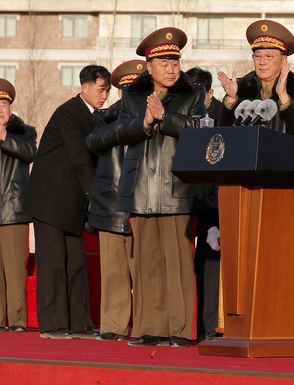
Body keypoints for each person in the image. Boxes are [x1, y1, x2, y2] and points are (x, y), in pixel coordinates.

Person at [115, 28, 207, 348]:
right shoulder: (131, 96)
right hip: (141, 188)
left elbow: (200, 129)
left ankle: (179, 329)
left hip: (176, 190)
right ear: (148, 66)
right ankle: (148, 328)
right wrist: (143, 122)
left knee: (178, 263)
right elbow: (119, 131)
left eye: (175, 63)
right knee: (147, 263)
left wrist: (165, 117)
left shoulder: (192, 94)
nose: (171, 69)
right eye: (164, 63)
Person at [23, 65, 111, 340]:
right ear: (84, 87)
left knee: (76, 263)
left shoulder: (96, 116)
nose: (105, 95)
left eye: (108, 90)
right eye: (101, 89)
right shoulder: (69, 113)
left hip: (73, 202)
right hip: (49, 201)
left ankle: (79, 323)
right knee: (53, 263)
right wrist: (98, 200)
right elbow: (79, 158)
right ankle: (52, 324)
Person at [85, 59, 146, 341]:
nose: (131, 95)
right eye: (127, 90)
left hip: (141, 204)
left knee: (144, 272)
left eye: (137, 89)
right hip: (109, 203)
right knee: (112, 272)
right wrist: (125, 120)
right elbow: (93, 142)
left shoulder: (155, 118)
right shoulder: (104, 118)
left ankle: (146, 326)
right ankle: (113, 325)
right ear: (120, 92)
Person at [217, 19, 294, 136]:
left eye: (269, 56)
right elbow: (223, 132)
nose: (262, 62)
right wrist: (231, 99)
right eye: (258, 56)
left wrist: (284, 97)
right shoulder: (240, 88)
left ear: (283, 59)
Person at [0, 79, 36, 332]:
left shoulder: (25, 131)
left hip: (14, 210)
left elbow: (30, 154)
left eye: (3, 105)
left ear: (11, 109)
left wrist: (4, 138)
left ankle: (18, 321)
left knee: (15, 271)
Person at [184, 67, 223, 342]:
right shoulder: (187, 117)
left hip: (216, 204)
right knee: (194, 265)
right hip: (191, 199)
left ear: (210, 93)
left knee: (210, 264)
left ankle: (210, 327)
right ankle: (195, 325)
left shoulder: (223, 117)